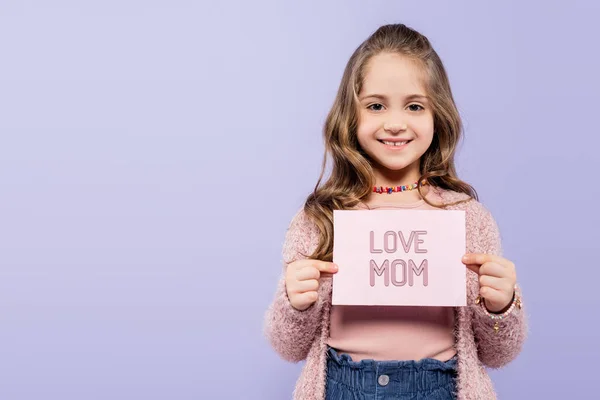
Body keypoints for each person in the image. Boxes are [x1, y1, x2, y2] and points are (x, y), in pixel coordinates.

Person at [263, 23, 527, 400]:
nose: (395, 123)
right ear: (351, 117)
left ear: (438, 117)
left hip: (442, 386)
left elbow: (499, 354)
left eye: (415, 106)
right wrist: (293, 302)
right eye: (375, 105)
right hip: (342, 385)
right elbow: (288, 347)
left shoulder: (468, 219)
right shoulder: (320, 218)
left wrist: (501, 307)